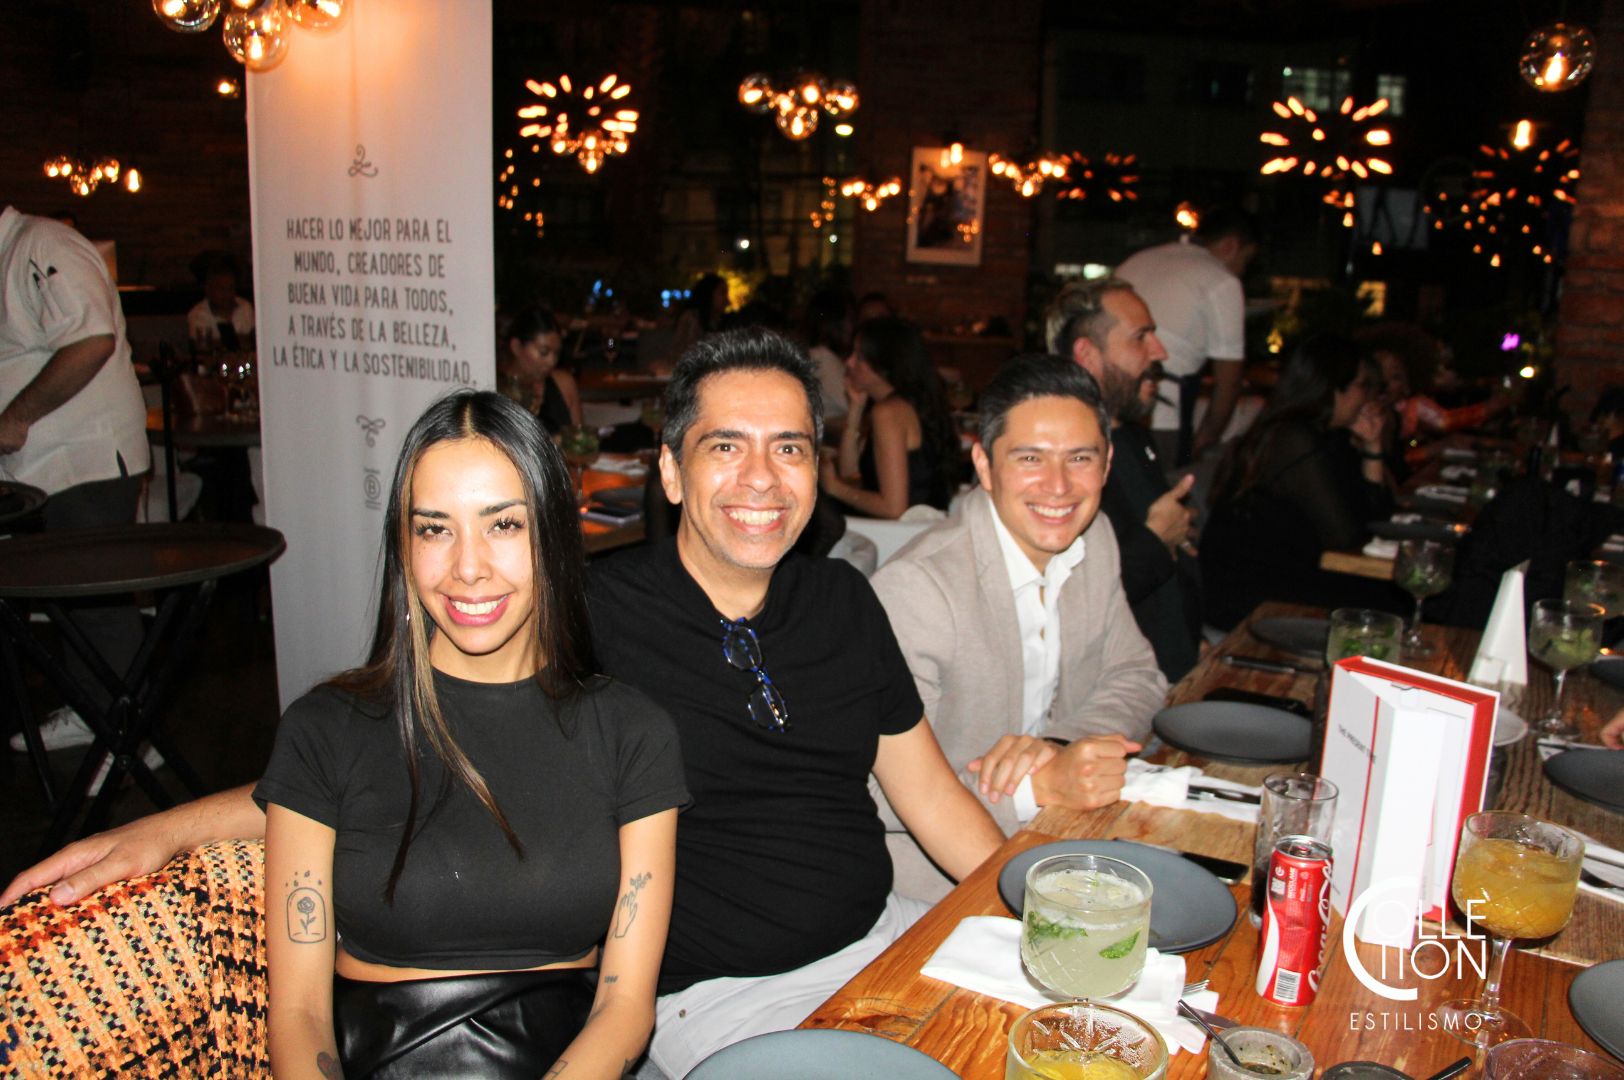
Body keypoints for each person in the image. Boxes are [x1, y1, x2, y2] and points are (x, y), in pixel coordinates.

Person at [3, 328, 1006, 1080]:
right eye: (724, 447)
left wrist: (1026, 902)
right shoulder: (581, 624)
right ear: (669, 468)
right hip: (724, 999)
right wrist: (165, 829)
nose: (760, 479)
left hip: (884, 940)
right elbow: (401, 741)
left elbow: (928, 796)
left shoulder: (841, 600)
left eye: (788, 448)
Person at [258, 390, 685, 1077]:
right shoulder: (324, 730)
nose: (468, 566)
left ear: (552, 534)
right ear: (404, 547)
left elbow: (626, 1005)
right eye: (435, 529)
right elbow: (299, 1013)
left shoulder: (631, 732)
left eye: (503, 525)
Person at [870, 355, 1167, 900]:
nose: (1058, 486)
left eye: (1080, 458)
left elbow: (1138, 676)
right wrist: (1035, 786)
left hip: (1068, 838)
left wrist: (1057, 746)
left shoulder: (1095, 536)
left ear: (1106, 466)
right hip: (933, 891)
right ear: (984, 466)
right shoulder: (919, 590)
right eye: (1030, 458)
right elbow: (880, 793)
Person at [0, 203, 153, 772]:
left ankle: (129, 741)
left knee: (99, 604)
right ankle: (93, 712)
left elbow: (91, 340)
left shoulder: (42, 245)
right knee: (72, 601)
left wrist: (16, 416)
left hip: (86, 460)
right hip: (43, 469)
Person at [1049, 278, 1204, 680]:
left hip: (1172, 677)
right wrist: (1157, 539)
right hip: (1113, 696)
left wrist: (1193, 641)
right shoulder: (1058, 460)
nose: (1160, 352)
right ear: (1088, 355)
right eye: (1140, 337)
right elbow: (1065, 602)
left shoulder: (1132, 438)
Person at [1199, 335, 1397, 630]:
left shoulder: (1330, 436)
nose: (1370, 398)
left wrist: (1372, 448)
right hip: (1252, 594)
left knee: (1396, 600)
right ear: (1333, 386)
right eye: (1364, 386)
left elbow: (1377, 520)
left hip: (1291, 577)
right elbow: (1344, 538)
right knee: (1391, 606)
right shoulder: (1291, 438)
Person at [1115, 206, 1259, 466]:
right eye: (1246, 261)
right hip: (1161, 415)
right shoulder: (1222, 281)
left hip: (1108, 410)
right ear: (1231, 246)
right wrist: (1206, 438)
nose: (1242, 271)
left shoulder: (1136, 260)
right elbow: (1229, 381)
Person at [818, 316, 956, 518]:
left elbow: (894, 508)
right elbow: (851, 475)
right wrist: (855, 410)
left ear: (883, 364)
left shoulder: (889, 413)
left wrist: (835, 488)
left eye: (859, 357)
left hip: (898, 532)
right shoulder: (909, 403)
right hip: (918, 526)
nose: (849, 362)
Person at [499, 306, 581, 434]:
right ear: (517, 347)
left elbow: (579, 439)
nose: (551, 361)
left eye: (556, 354)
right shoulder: (498, 388)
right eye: (544, 352)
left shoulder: (564, 384)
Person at [798, 287, 855, 427]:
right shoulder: (824, 359)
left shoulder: (817, 355)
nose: (852, 327)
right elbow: (852, 404)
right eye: (849, 320)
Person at [186, 252, 255, 353]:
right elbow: (201, 345)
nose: (226, 293)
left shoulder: (246, 307)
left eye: (230, 287)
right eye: (221, 288)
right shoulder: (197, 314)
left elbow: (256, 340)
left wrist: (218, 342)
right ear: (208, 290)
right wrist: (239, 340)